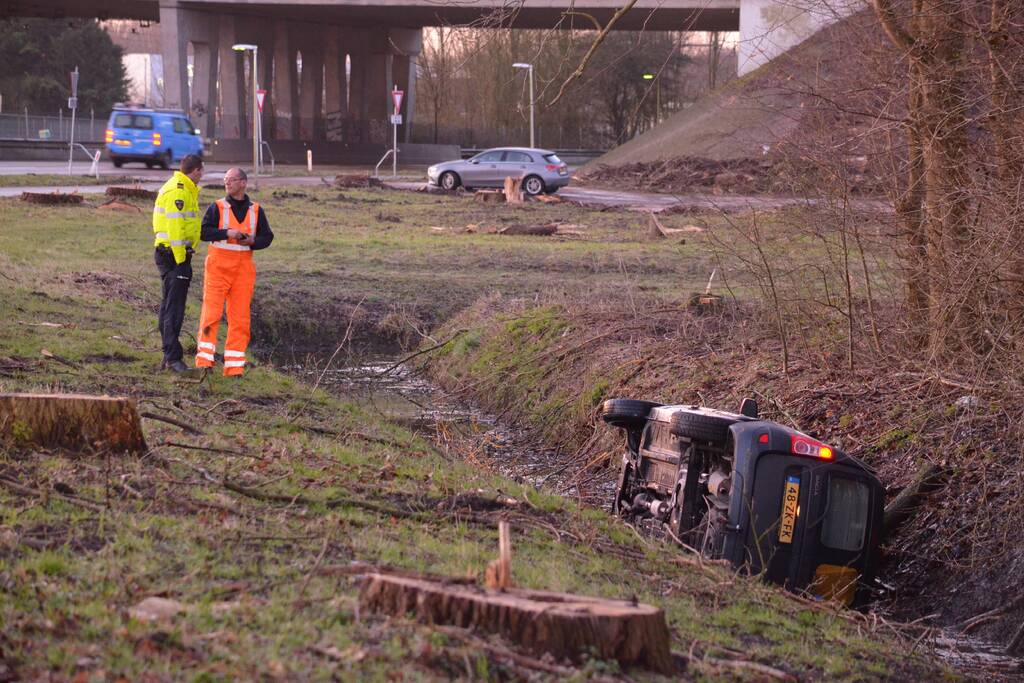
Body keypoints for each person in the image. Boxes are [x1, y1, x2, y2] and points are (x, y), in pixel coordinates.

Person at [195, 168, 274, 376]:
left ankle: (234, 367)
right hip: (218, 267)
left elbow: (267, 237)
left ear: (243, 183)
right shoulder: (217, 207)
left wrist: (253, 241)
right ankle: (204, 362)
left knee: (240, 318)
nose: (227, 183)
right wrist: (227, 233)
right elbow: (203, 232)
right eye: (225, 180)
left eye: (231, 180)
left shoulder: (256, 210)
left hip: (243, 269)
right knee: (211, 314)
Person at [153, 154, 203, 373]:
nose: (202, 176)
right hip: (175, 255)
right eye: (202, 172)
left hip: (172, 253)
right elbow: (175, 227)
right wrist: (182, 259)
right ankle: (173, 358)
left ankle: (168, 355)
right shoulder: (179, 191)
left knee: (169, 305)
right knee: (174, 308)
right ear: (197, 171)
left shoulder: (180, 188)